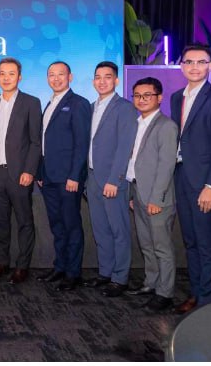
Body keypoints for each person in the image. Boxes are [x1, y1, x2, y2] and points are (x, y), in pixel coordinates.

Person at [170, 43, 211, 312]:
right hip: (182, 177)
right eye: (189, 62)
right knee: (191, 241)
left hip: (205, 183)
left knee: (207, 243)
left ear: (210, 66)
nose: (194, 67)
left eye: (201, 62)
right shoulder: (176, 97)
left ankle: (209, 301)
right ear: (181, 66)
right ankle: (196, 293)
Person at [83, 61, 138, 297]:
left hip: (112, 180)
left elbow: (125, 147)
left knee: (119, 230)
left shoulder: (124, 108)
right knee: (101, 230)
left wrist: (115, 179)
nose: (102, 81)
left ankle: (120, 277)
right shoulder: (90, 107)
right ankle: (105, 273)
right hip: (92, 177)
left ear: (116, 80)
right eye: (98, 77)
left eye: (107, 77)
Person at [0, 57, 42, 284]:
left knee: (24, 222)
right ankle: (1, 262)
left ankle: (22, 266)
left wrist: (30, 170)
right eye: (2, 73)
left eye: (11, 73)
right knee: (0, 222)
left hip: (20, 174)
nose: (6, 78)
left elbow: (36, 142)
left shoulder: (31, 102)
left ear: (19, 77)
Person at [36, 61, 91, 292]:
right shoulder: (49, 103)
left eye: (61, 74)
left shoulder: (79, 103)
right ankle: (60, 266)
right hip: (49, 177)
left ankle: (73, 273)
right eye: (51, 75)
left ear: (70, 76)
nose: (56, 78)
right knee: (57, 225)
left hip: (68, 178)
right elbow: (44, 142)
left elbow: (81, 144)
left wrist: (75, 176)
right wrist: (40, 173)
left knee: (71, 225)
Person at [125, 78, 178, 312]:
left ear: (159, 98)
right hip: (138, 191)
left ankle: (165, 293)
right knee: (146, 244)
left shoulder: (166, 126)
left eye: (147, 95)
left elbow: (166, 166)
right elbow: (134, 162)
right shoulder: (137, 123)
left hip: (157, 198)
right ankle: (151, 282)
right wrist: (132, 193)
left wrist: (156, 199)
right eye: (137, 95)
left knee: (161, 247)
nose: (142, 99)